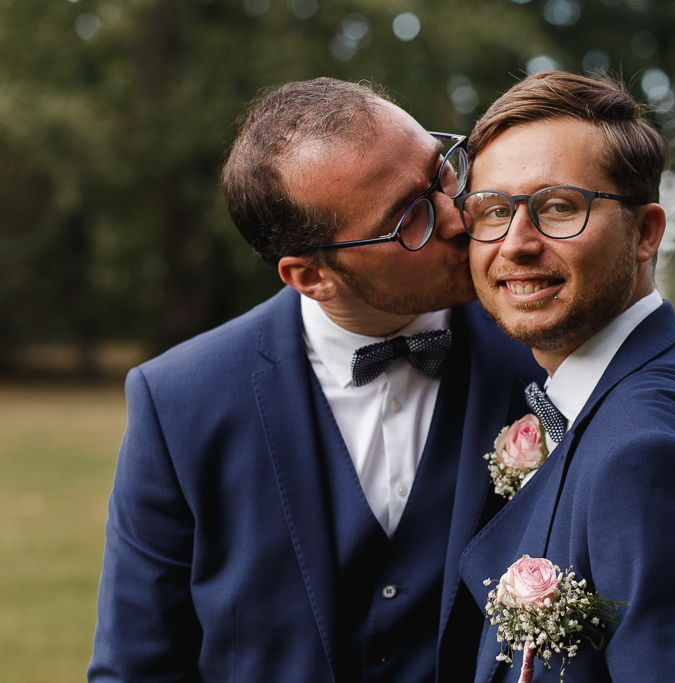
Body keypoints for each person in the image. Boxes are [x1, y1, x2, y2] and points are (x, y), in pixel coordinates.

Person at [88, 77, 543, 683]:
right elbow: (138, 665)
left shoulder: (541, 358)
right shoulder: (178, 401)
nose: (457, 215)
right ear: (311, 275)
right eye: (410, 217)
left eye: (441, 173)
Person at [456, 72, 675, 682]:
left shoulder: (643, 448)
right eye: (493, 211)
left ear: (646, 234)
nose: (516, 243)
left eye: (558, 207)